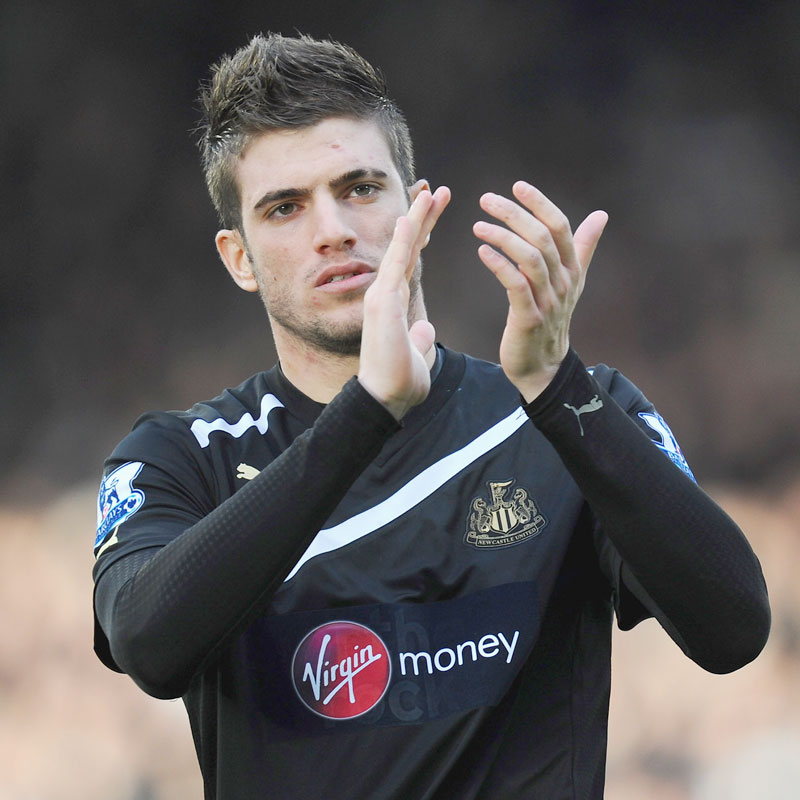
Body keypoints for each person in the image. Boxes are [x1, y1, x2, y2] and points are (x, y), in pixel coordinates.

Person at [92, 32, 770, 800]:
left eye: (359, 188)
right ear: (239, 257)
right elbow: (149, 646)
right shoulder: (179, 458)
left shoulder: (570, 413)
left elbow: (733, 628)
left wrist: (557, 388)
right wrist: (367, 413)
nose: (332, 230)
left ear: (417, 206)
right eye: (285, 207)